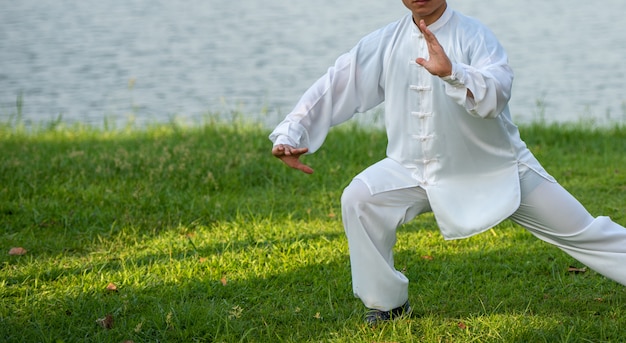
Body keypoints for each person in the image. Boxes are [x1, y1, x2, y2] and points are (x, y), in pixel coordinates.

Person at [269, 0, 626, 325]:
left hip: (497, 168)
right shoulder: (384, 42)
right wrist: (292, 133)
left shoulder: (474, 35)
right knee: (360, 198)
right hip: (412, 169)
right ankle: (388, 305)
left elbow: (497, 92)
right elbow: (335, 84)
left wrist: (453, 71)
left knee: (585, 231)